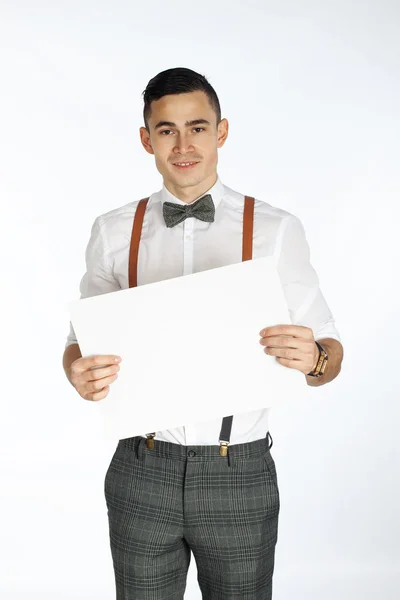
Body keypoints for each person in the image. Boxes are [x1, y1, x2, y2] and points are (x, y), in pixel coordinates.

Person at [62, 67, 344, 599]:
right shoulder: (113, 229)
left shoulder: (276, 228)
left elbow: (330, 352)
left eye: (197, 126)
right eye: (167, 130)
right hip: (142, 466)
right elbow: (78, 344)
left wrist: (313, 360)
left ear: (222, 131)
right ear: (147, 138)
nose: (184, 143)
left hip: (238, 468)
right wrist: (78, 372)